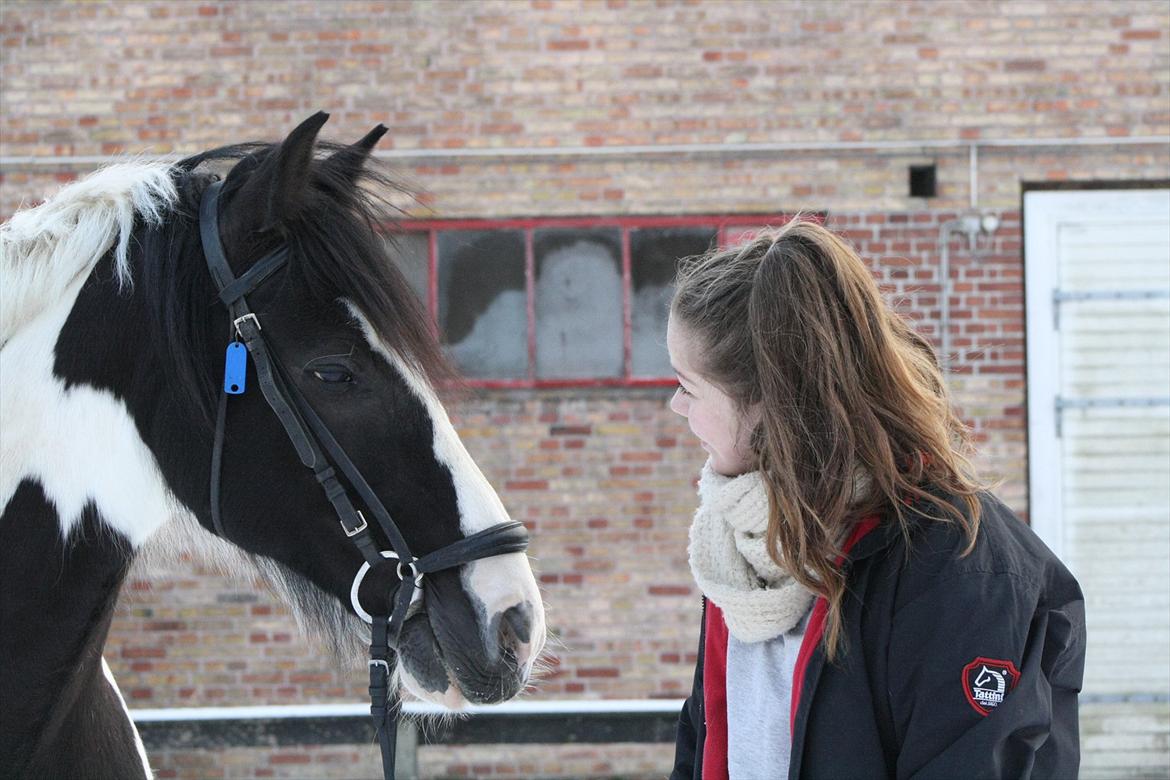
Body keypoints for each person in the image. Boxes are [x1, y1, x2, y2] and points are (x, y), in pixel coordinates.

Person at [666, 219, 1085, 780]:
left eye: (688, 387)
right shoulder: (744, 550)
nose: (676, 406)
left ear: (771, 401)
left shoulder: (958, 570)